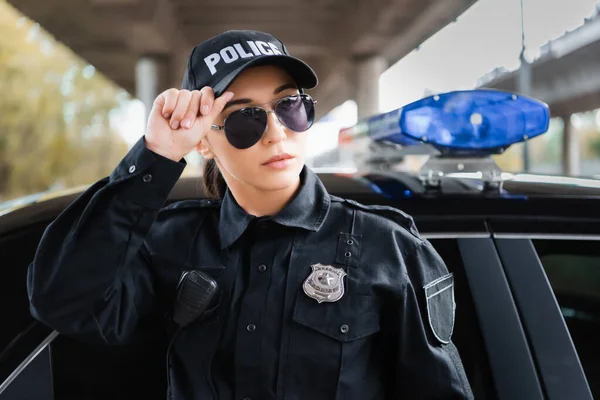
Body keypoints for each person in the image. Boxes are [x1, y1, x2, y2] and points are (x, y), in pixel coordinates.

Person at [27, 30, 474, 400]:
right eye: (245, 118)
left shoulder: (389, 250)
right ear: (204, 141)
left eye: (289, 105)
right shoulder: (169, 245)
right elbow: (62, 298)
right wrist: (158, 154)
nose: (276, 132)